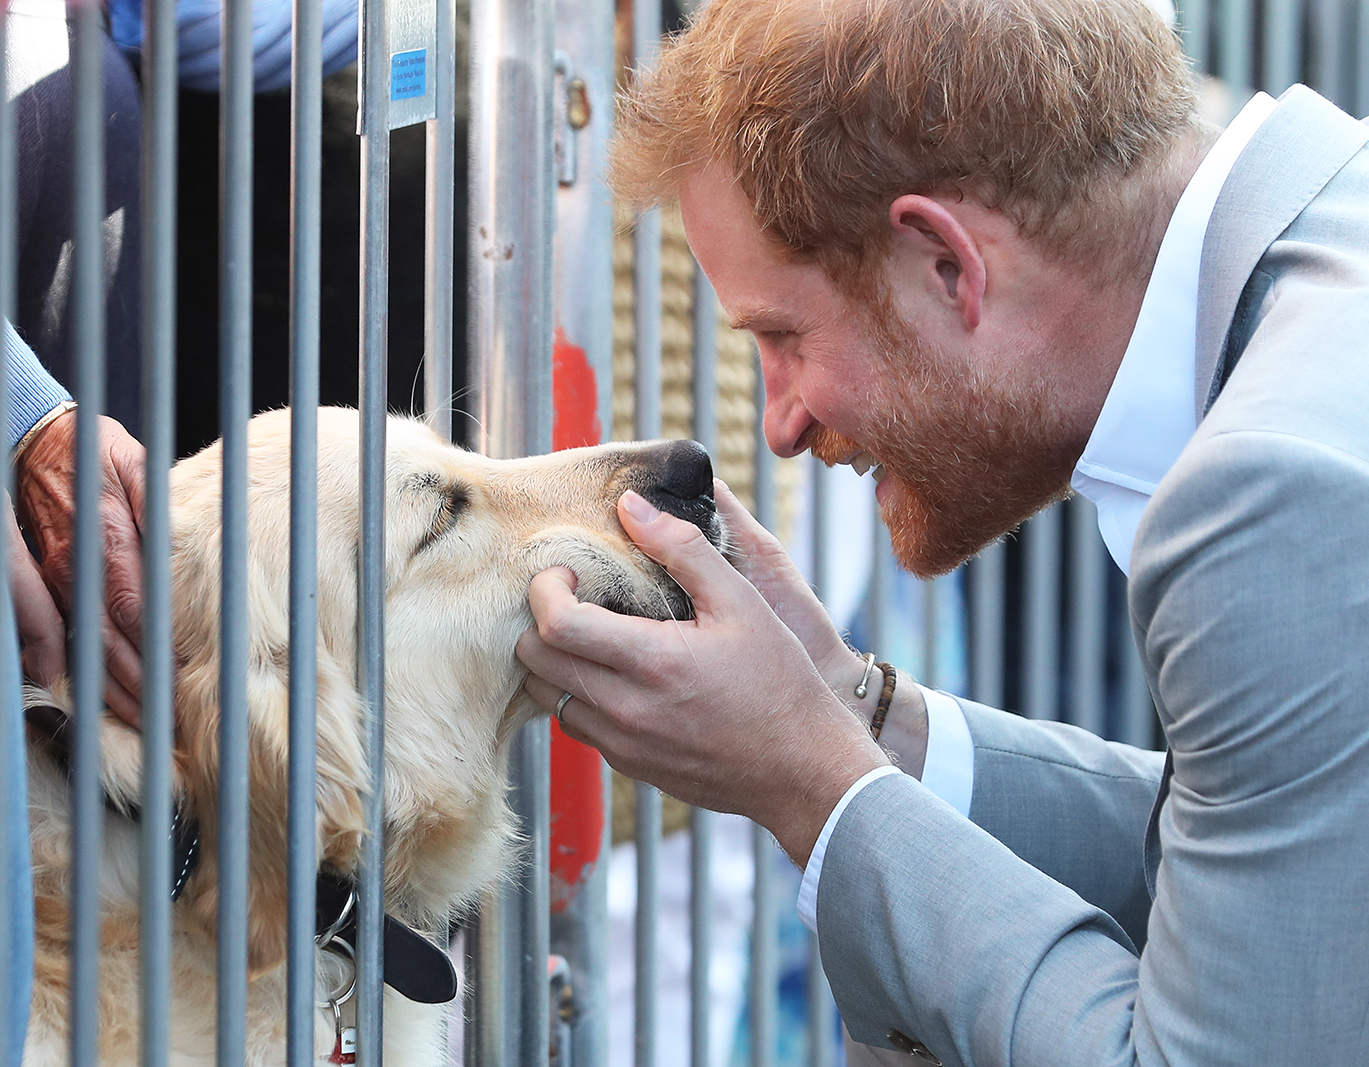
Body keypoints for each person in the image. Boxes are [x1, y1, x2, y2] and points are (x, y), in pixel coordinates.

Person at [515, 0, 1369, 1063]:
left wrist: (811, 783)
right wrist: (851, 710)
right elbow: (1279, 861)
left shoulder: (1269, 490)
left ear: (947, 265)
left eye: (783, 335)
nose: (779, 423)